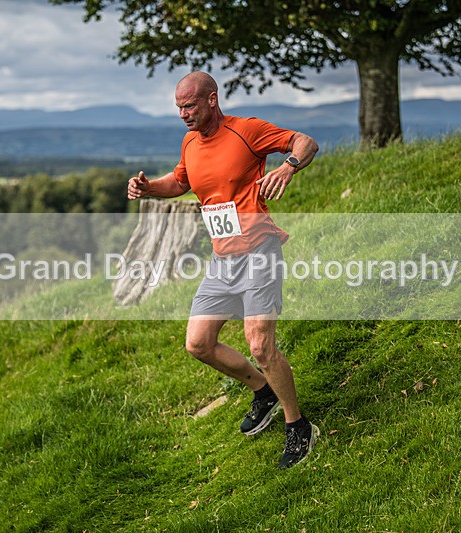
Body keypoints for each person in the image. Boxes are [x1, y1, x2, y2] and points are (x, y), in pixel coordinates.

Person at [127, 71, 319, 469]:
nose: (183, 114)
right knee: (198, 343)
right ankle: (263, 391)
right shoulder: (190, 143)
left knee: (260, 345)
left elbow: (305, 141)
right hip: (222, 258)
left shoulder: (246, 131)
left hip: (259, 251)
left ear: (212, 99)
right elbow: (180, 182)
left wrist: (288, 167)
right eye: (179, 107)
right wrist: (149, 188)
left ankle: (298, 425)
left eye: (190, 105)